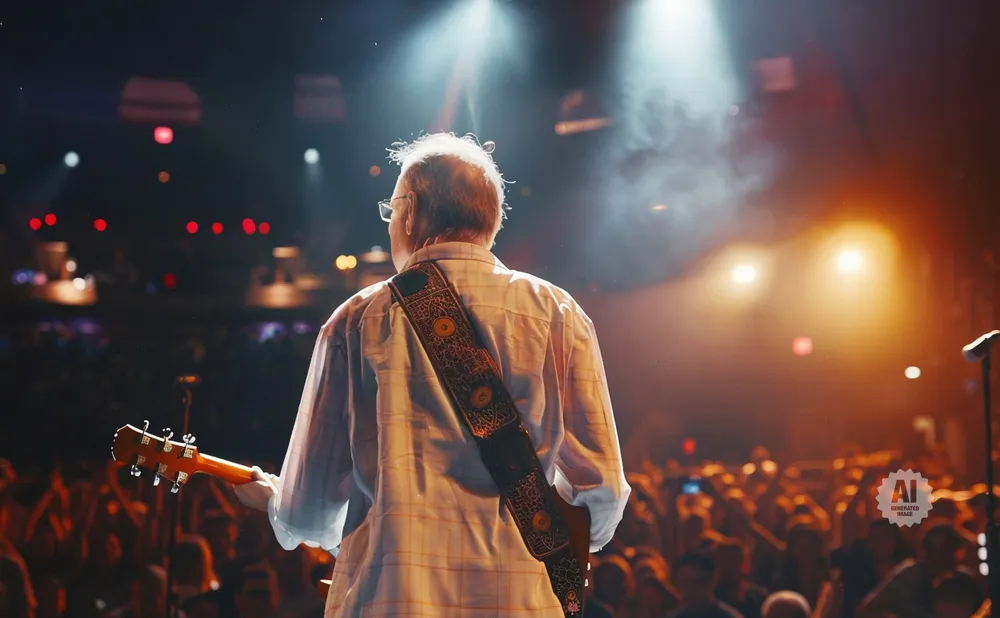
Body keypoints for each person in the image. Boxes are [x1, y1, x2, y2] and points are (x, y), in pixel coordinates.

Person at [235, 133, 631, 616]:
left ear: (408, 211)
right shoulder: (558, 313)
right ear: (490, 219)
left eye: (390, 211)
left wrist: (278, 505)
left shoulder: (357, 319)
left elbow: (309, 512)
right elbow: (603, 489)